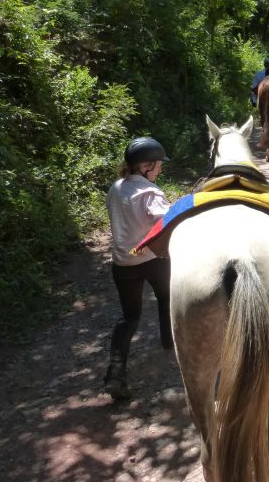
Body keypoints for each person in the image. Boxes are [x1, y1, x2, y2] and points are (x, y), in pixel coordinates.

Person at [104, 136, 172, 400]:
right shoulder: (150, 193)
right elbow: (166, 220)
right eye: (158, 165)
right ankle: (169, 341)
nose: (161, 169)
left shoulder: (115, 187)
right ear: (146, 167)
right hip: (151, 261)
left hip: (122, 264)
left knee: (129, 318)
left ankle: (115, 374)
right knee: (166, 297)